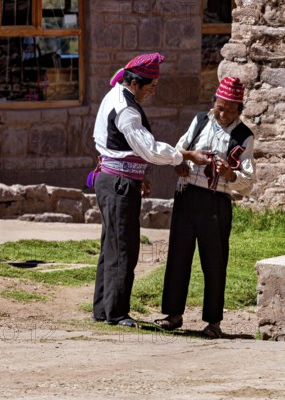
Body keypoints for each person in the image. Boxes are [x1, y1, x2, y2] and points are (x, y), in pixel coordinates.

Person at [91, 53, 210, 327]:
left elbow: (124, 149)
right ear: (136, 84)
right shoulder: (127, 110)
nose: (152, 92)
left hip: (116, 179)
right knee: (124, 249)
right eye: (151, 87)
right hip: (118, 184)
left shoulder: (116, 96)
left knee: (112, 246)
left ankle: (103, 308)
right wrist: (185, 156)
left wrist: (138, 173)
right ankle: (117, 313)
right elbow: (148, 148)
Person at [154, 76, 256, 338]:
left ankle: (213, 322)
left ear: (239, 110)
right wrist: (180, 161)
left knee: (214, 261)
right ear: (214, 103)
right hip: (187, 195)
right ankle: (173, 314)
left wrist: (230, 175)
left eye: (230, 109)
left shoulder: (244, 136)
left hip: (216, 204)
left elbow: (248, 182)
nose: (223, 113)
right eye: (220, 107)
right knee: (178, 255)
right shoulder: (200, 120)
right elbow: (181, 147)